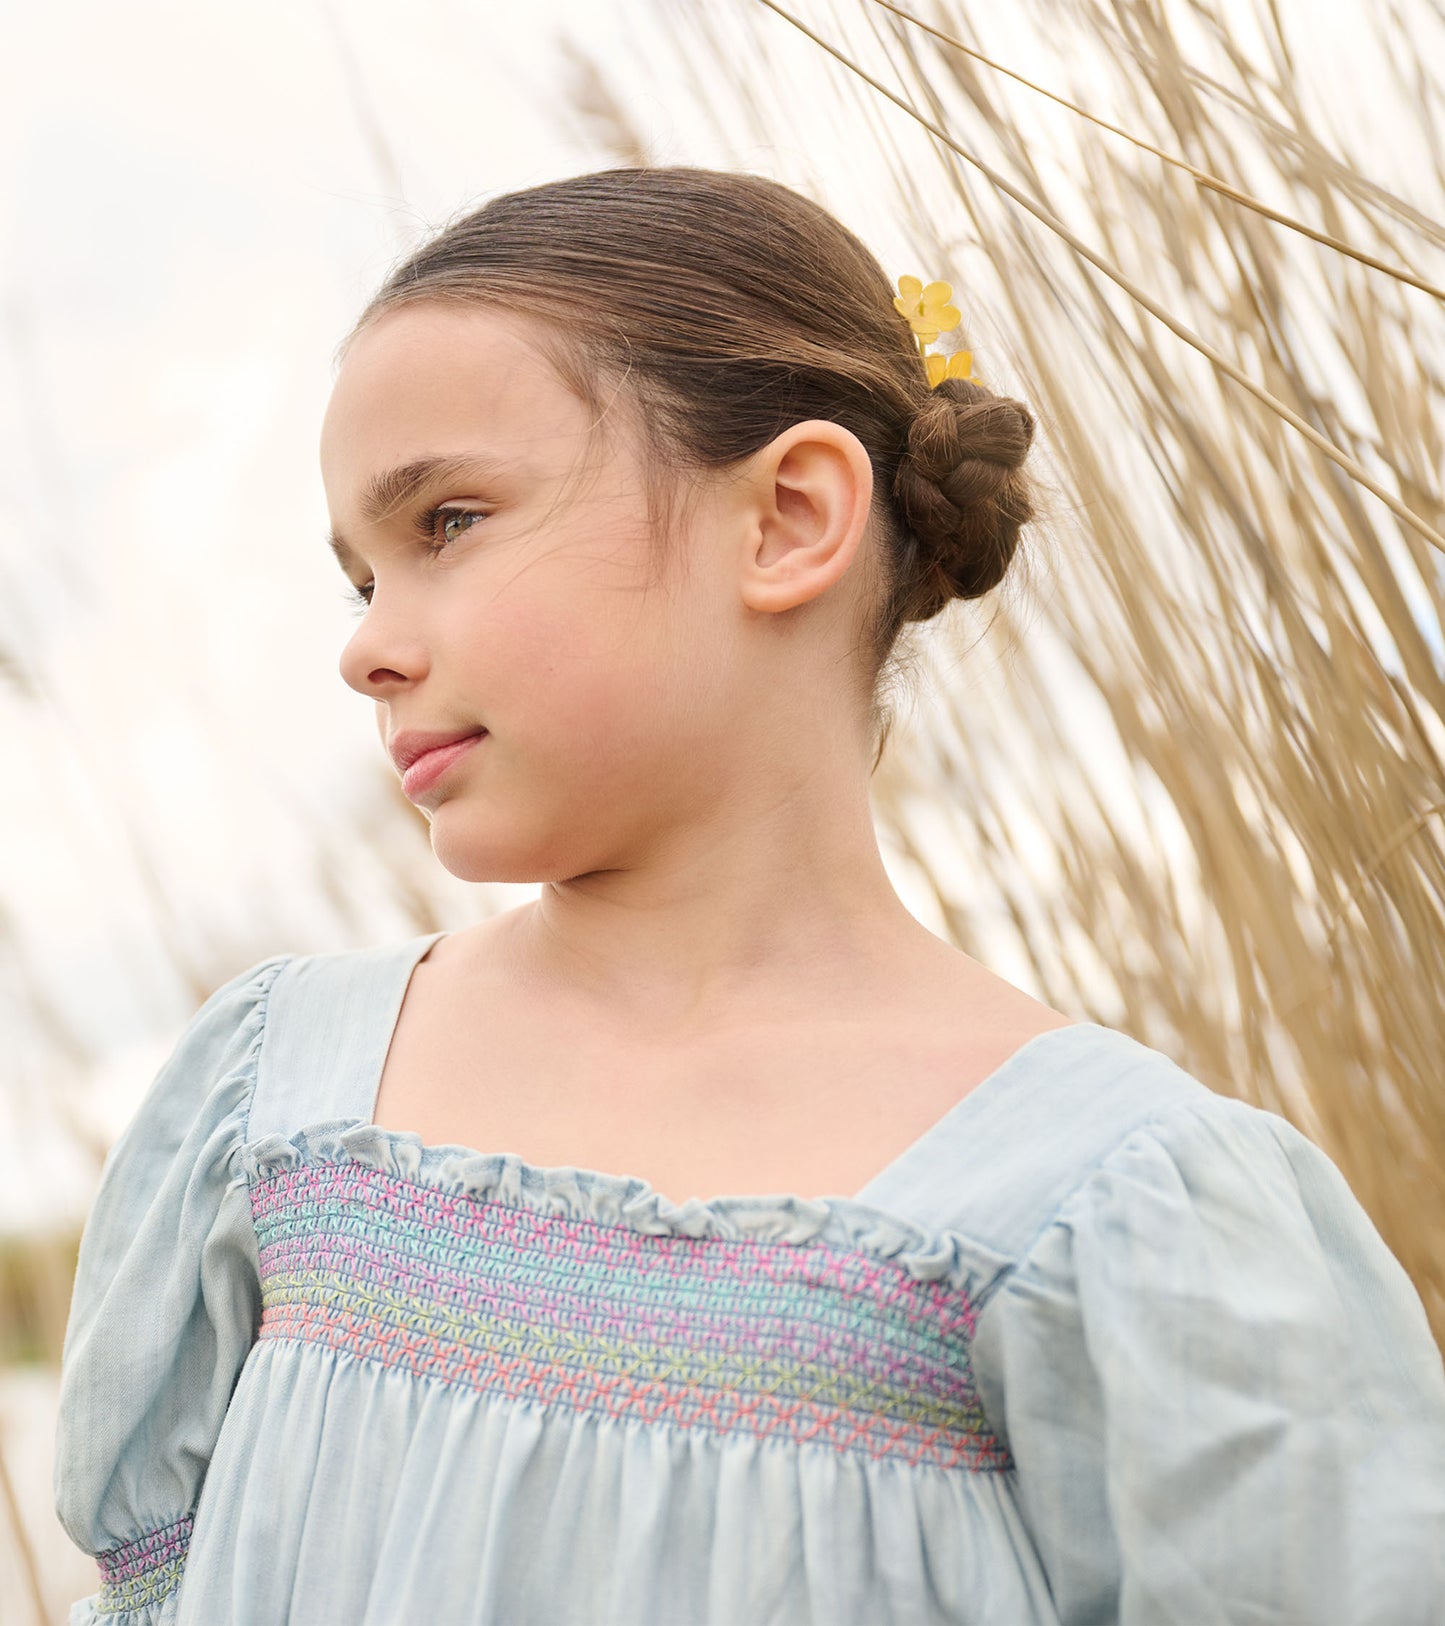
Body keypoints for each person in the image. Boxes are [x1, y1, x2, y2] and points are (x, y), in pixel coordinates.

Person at [53, 165, 1445, 1625]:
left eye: (448, 522)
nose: (368, 650)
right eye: (359, 581)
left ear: (787, 516)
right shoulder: (279, 1103)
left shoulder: (1116, 1210)